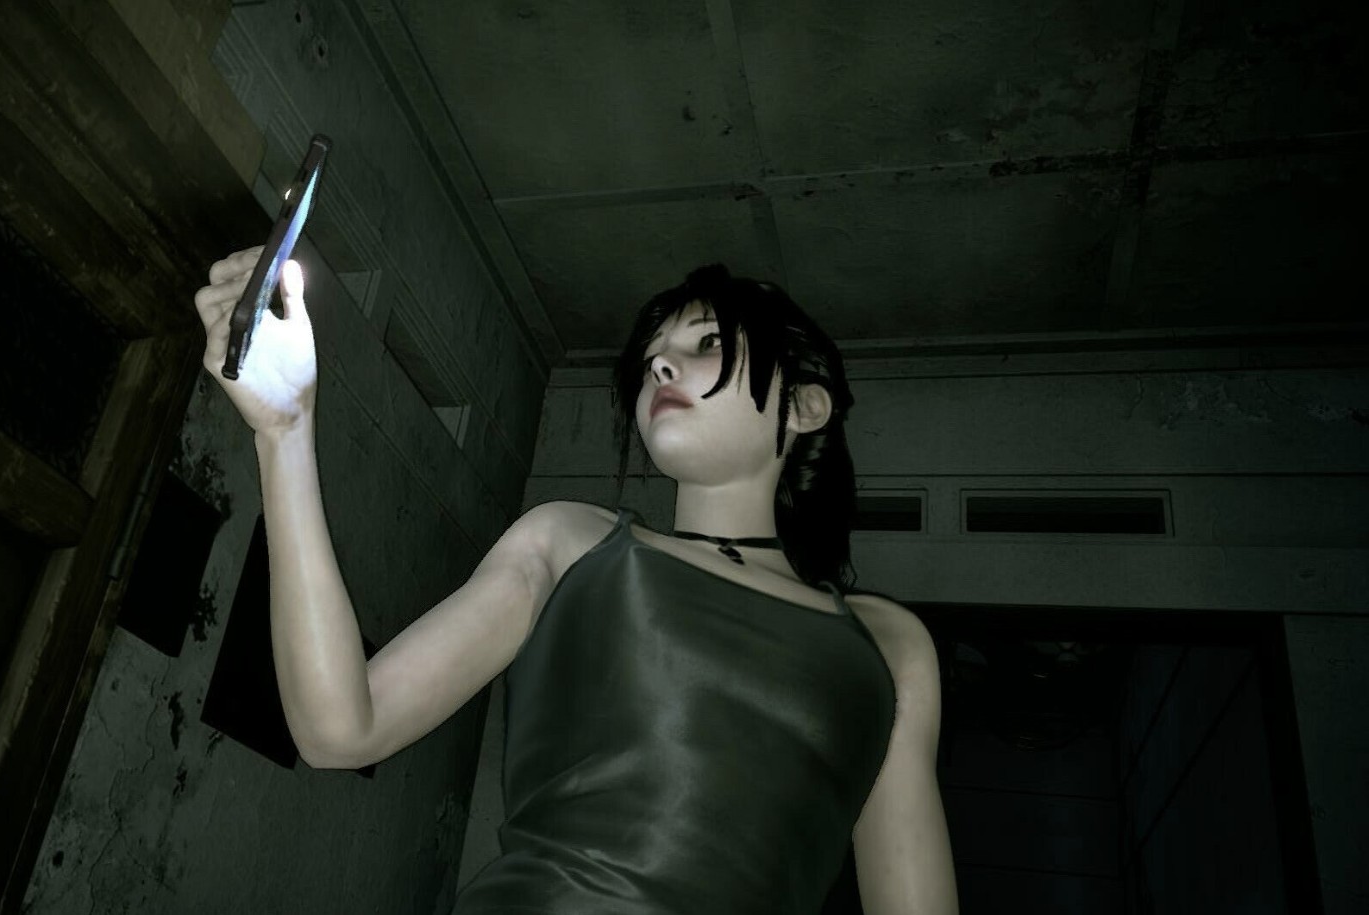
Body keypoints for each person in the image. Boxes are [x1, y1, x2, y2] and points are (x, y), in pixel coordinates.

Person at [194, 252, 958, 914]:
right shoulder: (569, 541)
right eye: (653, 355)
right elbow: (340, 729)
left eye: (707, 343)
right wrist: (285, 431)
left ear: (803, 405)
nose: (660, 365)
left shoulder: (887, 646)